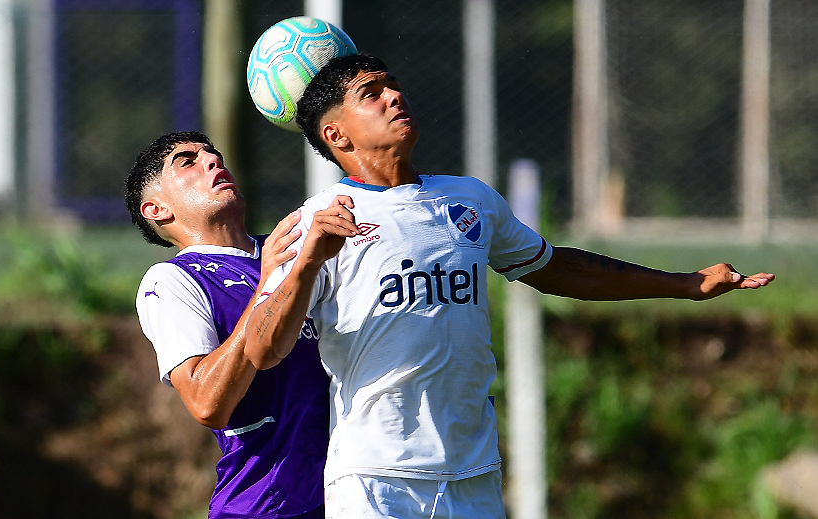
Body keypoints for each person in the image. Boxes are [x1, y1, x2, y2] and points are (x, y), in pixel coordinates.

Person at [243, 54, 774, 519]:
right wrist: (309, 262)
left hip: (472, 472)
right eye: (371, 93)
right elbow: (263, 349)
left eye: (392, 84)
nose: (395, 95)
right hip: (377, 479)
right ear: (336, 135)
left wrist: (684, 284)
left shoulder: (469, 200)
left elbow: (558, 268)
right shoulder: (316, 220)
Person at [124, 131, 347, 519]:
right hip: (266, 504)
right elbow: (207, 403)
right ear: (156, 209)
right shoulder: (173, 281)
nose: (213, 161)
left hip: (350, 493)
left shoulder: (293, 249)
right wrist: (269, 286)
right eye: (187, 162)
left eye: (214, 155)